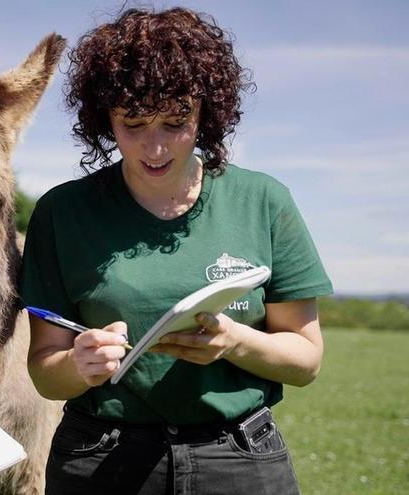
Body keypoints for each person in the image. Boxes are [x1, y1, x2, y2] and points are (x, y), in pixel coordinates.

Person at [21, 7, 332, 494]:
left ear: (206, 111)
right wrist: (77, 366)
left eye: (175, 122)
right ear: (104, 118)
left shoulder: (264, 201)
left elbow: (306, 360)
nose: (155, 148)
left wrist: (236, 343)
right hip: (102, 459)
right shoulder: (62, 212)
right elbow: (45, 371)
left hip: (239, 459)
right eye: (133, 124)